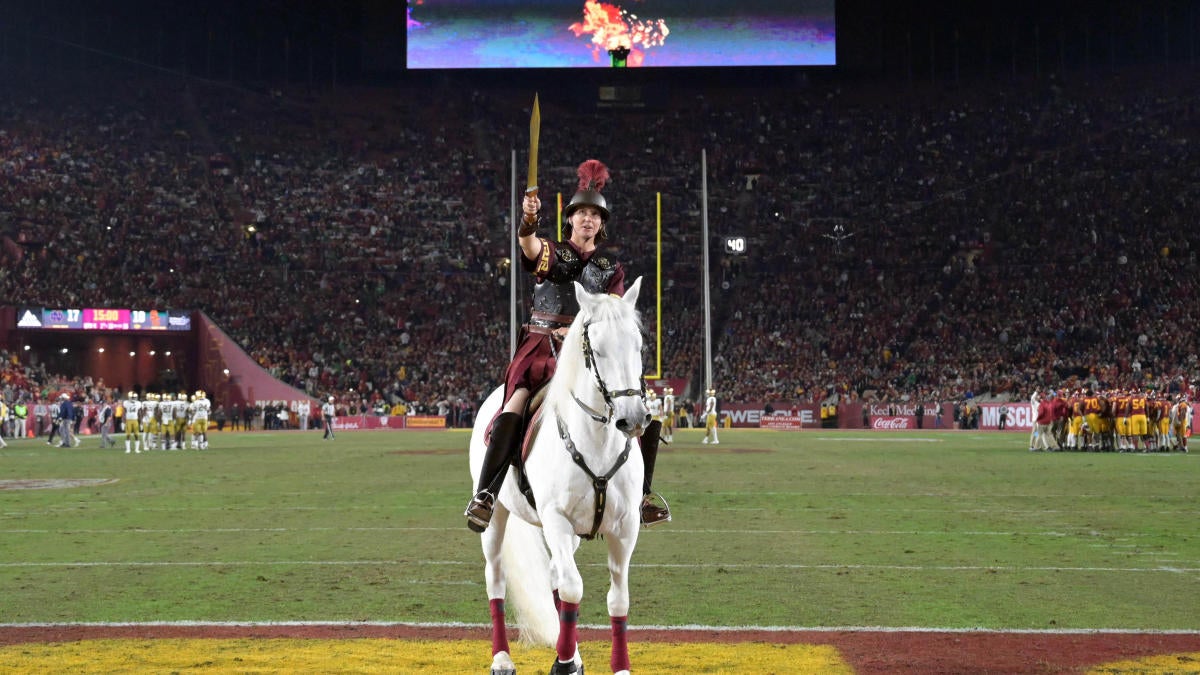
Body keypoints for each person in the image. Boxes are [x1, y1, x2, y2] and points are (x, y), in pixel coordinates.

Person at [465, 159, 671, 533]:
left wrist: (582, 335)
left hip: (590, 356)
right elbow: (528, 247)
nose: (587, 220)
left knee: (643, 410)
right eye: (581, 214)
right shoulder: (553, 253)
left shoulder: (611, 267)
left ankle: (641, 496)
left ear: (601, 223)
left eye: (594, 214)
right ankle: (486, 495)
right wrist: (528, 218)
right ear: (570, 219)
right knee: (514, 406)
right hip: (542, 349)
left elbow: (614, 314)